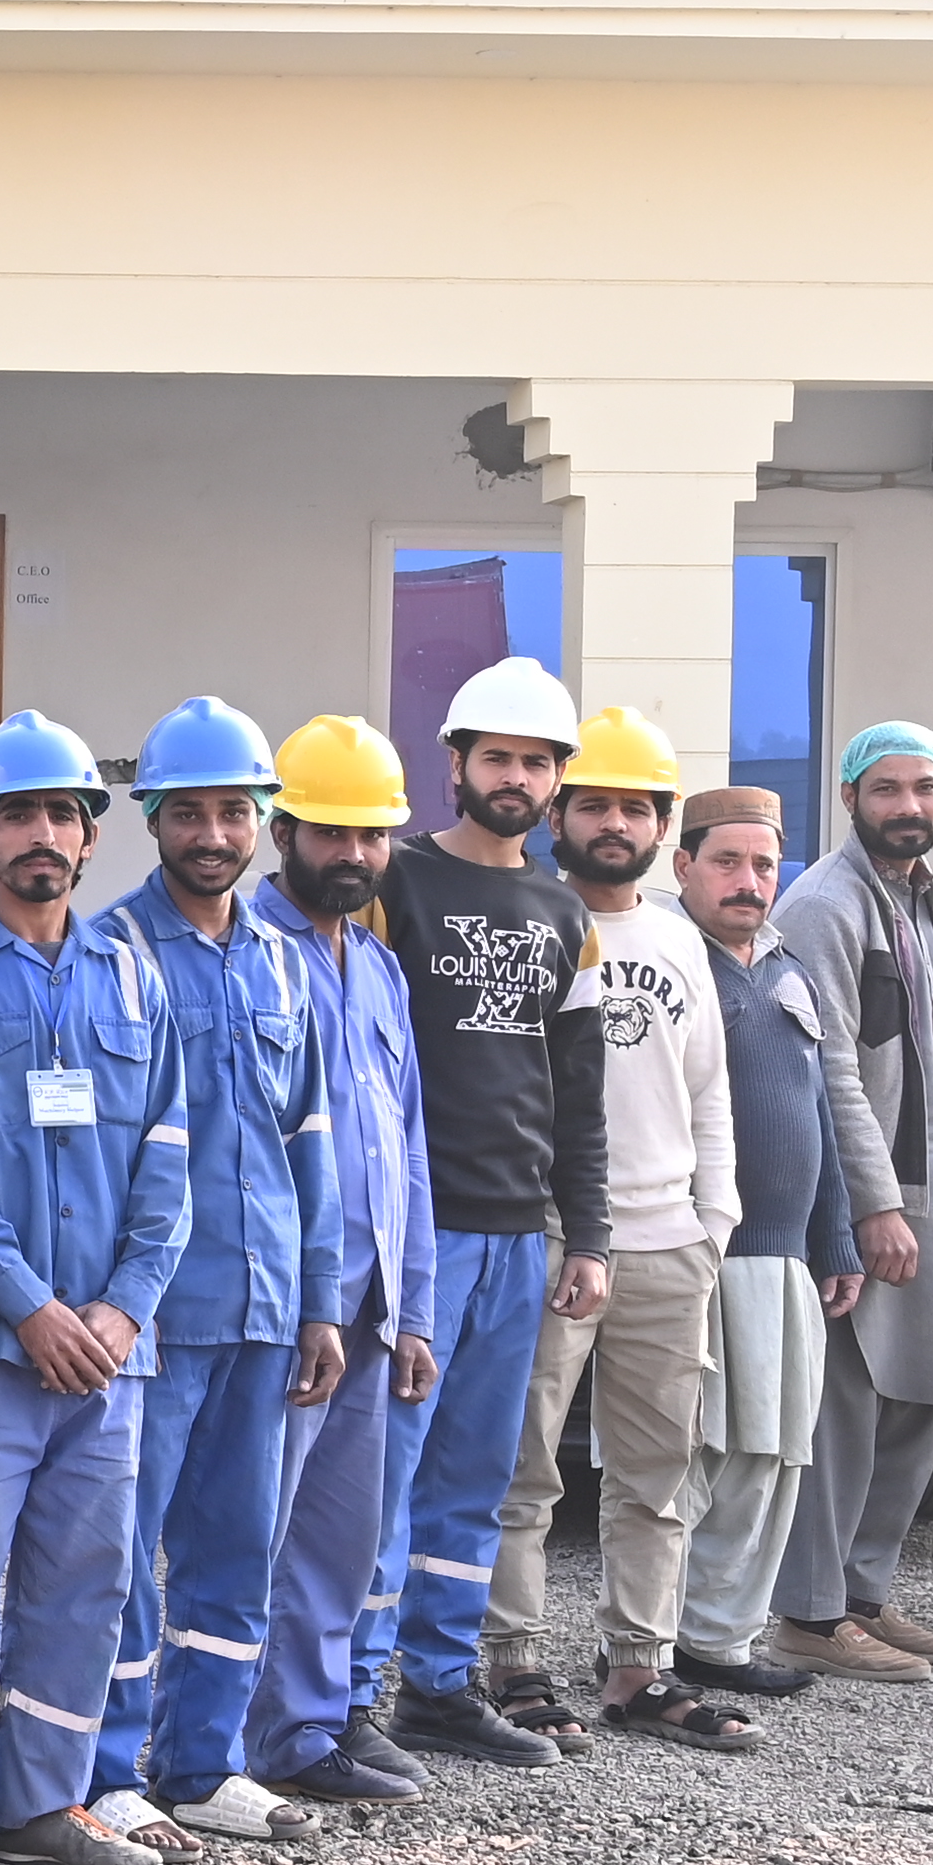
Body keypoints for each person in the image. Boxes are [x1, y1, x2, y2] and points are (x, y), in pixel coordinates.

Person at [0, 713, 193, 1865]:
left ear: (86, 833)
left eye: (63, 814)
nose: (43, 834)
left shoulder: (132, 974)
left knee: (84, 1580)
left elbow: (171, 1152)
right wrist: (29, 1307)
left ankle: (44, 1799)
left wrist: (120, 1310)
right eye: (17, 814)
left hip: (110, 1355)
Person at [95, 698, 340, 1849]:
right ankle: (105, 1767)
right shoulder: (112, 952)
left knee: (238, 1544)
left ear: (261, 821)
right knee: (126, 1549)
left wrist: (322, 1300)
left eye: (231, 810)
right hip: (154, 1310)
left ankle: (206, 1763)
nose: (210, 831)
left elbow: (315, 1142)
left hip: (265, 1303)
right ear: (152, 818)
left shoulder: (290, 967)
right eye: (186, 810)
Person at [370, 656, 605, 1773]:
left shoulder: (567, 912)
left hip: (520, 1234)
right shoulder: (397, 883)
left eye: (537, 762)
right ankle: (345, 1693)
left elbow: (580, 1085)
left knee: (478, 1472)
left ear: (556, 781)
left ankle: (437, 1682)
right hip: (416, 1232)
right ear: (453, 762)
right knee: (383, 1465)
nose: (516, 777)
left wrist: (587, 1232)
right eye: (498, 756)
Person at [771, 720, 933, 1671]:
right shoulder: (826, 905)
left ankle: (865, 1596)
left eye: (925, 788)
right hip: (871, 1197)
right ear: (850, 799)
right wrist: (872, 1205)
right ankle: (810, 1611)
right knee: (849, 1400)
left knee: (925, 1398)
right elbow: (830, 1067)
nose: (908, 806)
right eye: (887, 789)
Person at [525, 713, 744, 1750]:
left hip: (667, 1238)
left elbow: (709, 1088)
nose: (615, 824)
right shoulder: (525, 920)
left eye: (636, 807)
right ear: (557, 811)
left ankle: (637, 1668)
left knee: (657, 1472)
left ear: (662, 824)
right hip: (553, 1234)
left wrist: (715, 1216)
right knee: (522, 1468)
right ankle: (510, 1665)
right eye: (596, 804)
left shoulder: (678, 939)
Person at [237, 719, 439, 1814]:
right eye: (330, 830)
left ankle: (304, 1728)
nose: (352, 852)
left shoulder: (378, 967)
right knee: (248, 1524)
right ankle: (212, 1732)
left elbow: (404, 1140)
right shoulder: (250, 952)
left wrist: (413, 1305)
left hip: (370, 1301)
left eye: (371, 832)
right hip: (283, 1298)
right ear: (283, 831)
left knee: (338, 1528)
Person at [670, 789, 864, 1695]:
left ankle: (724, 1643)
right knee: (695, 1455)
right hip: (701, 1254)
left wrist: (838, 1241)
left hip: (787, 1259)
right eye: (727, 862)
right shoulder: (673, 966)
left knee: (774, 1456)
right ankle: (656, 1639)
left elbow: (818, 1113)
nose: (749, 883)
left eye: (763, 863)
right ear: (683, 867)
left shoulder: (790, 966)